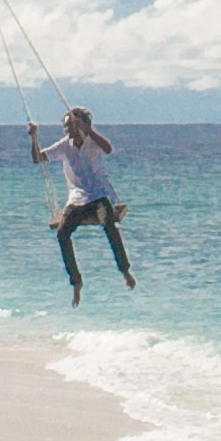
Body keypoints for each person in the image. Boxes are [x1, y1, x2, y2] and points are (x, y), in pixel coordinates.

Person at [32, 105, 134, 300]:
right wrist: (34, 136)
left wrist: (88, 130)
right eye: (66, 126)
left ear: (83, 125)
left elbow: (108, 149)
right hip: (77, 199)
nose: (67, 129)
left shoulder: (92, 141)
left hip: (98, 196)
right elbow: (38, 157)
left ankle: (125, 271)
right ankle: (76, 281)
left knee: (110, 225)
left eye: (71, 125)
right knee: (62, 234)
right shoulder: (64, 145)